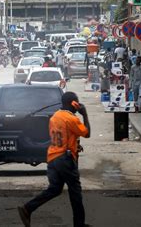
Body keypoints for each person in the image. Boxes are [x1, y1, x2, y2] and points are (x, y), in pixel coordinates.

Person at [18, 92, 90, 227]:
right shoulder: (71, 118)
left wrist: (75, 144)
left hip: (52, 158)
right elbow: (87, 133)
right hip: (65, 159)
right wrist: (84, 114)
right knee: (75, 191)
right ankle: (79, 224)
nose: (78, 106)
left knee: (55, 189)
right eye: (77, 103)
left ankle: (28, 208)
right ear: (73, 103)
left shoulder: (55, 117)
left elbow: (64, 135)